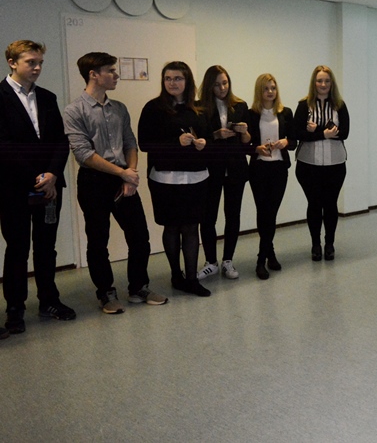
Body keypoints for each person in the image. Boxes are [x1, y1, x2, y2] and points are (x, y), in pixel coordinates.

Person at [64, 52, 167, 314]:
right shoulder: (74, 111)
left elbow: (130, 142)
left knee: (140, 237)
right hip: (94, 182)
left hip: (124, 179)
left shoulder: (119, 108)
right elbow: (83, 154)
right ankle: (106, 292)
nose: (116, 75)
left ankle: (139, 287)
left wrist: (130, 173)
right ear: (93, 75)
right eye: (110, 70)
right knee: (98, 240)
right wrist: (122, 173)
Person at [0, 40, 75, 336]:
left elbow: (60, 140)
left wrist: (53, 174)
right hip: (14, 188)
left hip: (50, 188)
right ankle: (15, 308)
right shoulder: (0, 96)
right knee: (17, 248)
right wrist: (38, 176)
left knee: (46, 247)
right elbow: (4, 146)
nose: (37, 67)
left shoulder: (47, 97)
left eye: (40, 62)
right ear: (12, 62)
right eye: (31, 62)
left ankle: (49, 301)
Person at [138, 61, 212, 296]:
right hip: (165, 178)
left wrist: (204, 143)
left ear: (187, 81)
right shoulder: (153, 108)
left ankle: (191, 279)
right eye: (168, 78)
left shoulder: (199, 109)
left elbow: (210, 138)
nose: (172, 83)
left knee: (191, 227)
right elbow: (144, 144)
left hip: (196, 178)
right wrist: (175, 143)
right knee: (171, 227)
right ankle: (176, 276)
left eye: (178, 78)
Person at [196, 65, 251, 281]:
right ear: (209, 86)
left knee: (233, 215)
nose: (222, 88)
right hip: (211, 169)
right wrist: (215, 135)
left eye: (225, 83)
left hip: (236, 168)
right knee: (208, 216)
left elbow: (248, 141)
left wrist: (244, 132)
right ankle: (211, 262)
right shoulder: (199, 108)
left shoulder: (240, 105)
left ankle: (228, 260)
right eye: (217, 84)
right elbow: (199, 140)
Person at [293, 65, 349, 261]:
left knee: (331, 204)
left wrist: (316, 130)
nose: (323, 84)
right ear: (314, 83)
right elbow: (296, 133)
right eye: (319, 81)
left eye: (326, 80)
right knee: (315, 204)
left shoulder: (339, 105)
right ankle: (315, 244)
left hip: (335, 164)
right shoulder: (304, 105)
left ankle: (330, 244)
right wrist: (324, 133)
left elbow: (345, 133)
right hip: (308, 165)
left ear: (331, 83)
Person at [247, 73, 296, 279]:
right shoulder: (251, 114)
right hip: (259, 169)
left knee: (271, 213)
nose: (270, 92)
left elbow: (293, 142)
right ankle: (265, 257)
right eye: (266, 88)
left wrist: (285, 142)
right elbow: (246, 144)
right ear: (259, 91)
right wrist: (256, 148)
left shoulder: (286, 112)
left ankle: (265, 255)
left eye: (273, 88)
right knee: (263, 212)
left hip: (278, 168)